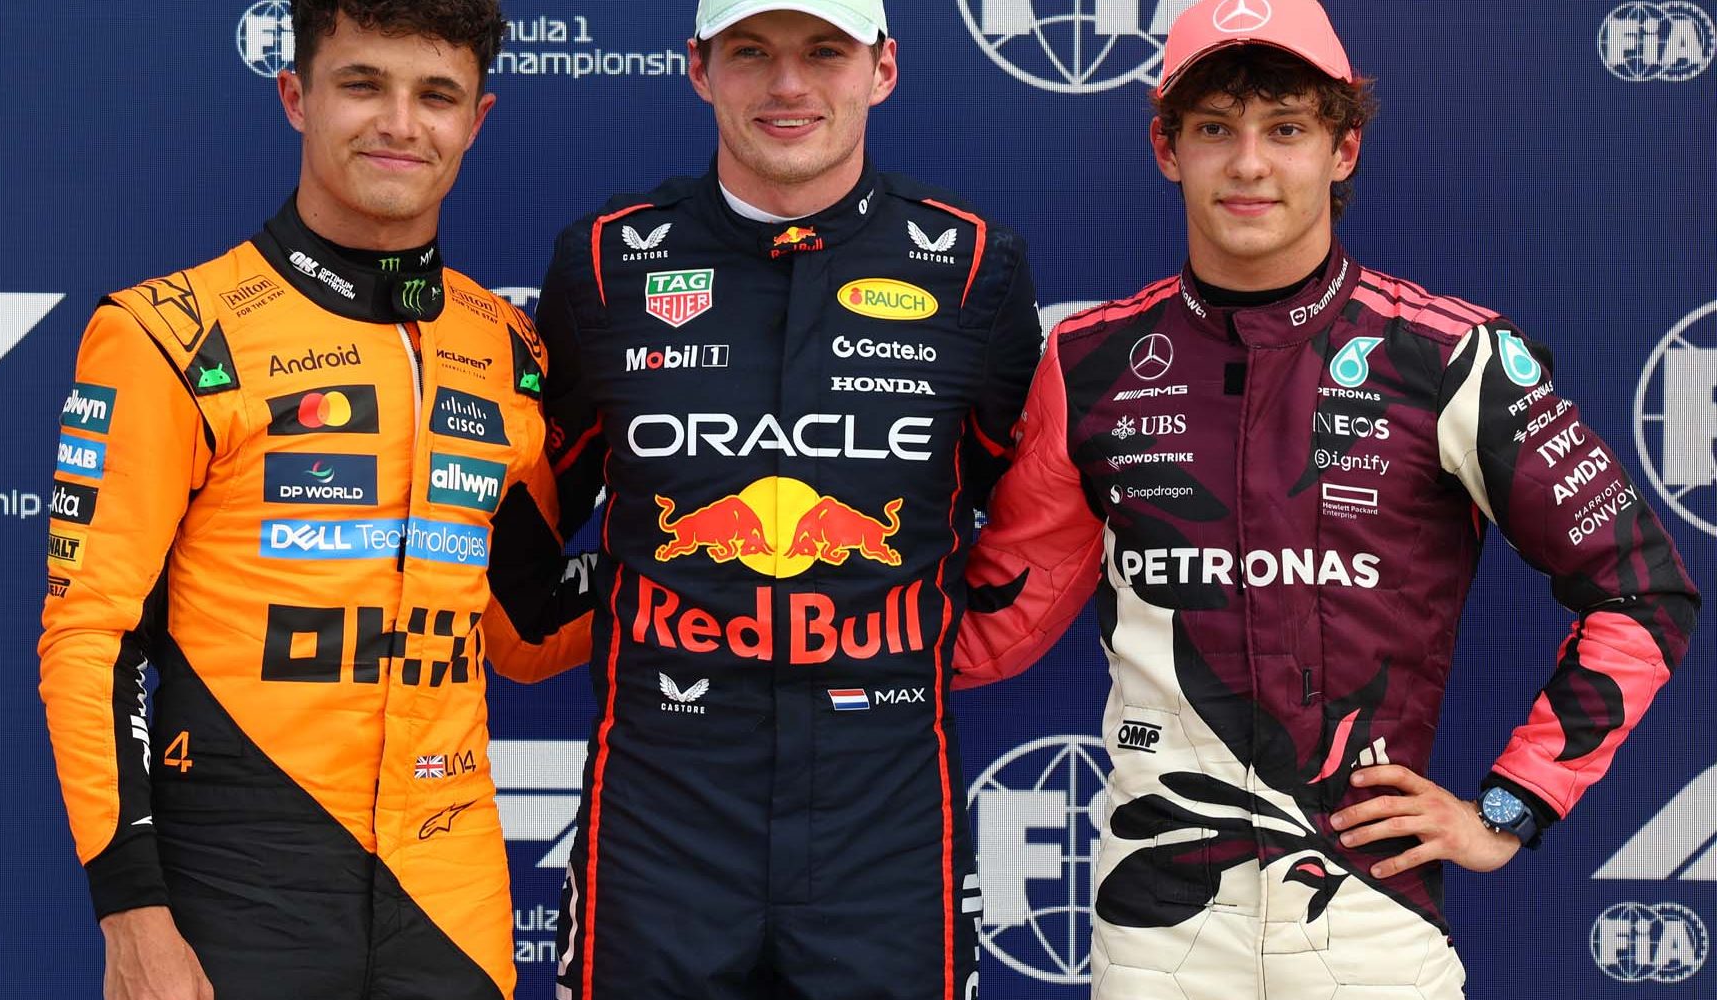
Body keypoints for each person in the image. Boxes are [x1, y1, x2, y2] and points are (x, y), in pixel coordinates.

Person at [952, 1, 1699, 997]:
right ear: (1166, 149)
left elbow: (1643, 594)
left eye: (1287, 128)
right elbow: (995, 623)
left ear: (1344, 149)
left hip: (1369, 926)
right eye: (1215, 127)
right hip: (1158, 927)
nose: (1250, 164)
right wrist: (776, 602)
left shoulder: (1451, 357)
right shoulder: (1090, 364)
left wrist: (1512, 807)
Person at [488, 0, 1042, 995]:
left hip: (888, 817)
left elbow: (1043, 516)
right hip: (662, 809)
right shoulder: (606, 263)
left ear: (883, 69)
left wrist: (942, 633)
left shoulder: (973, 269)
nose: (789, 85)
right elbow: (525, 516)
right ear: (699, 69)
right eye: (753, 53)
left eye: (823, 52)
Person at [36, 2, 572, 998]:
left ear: (478, 120)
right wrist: (132, 915)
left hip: (451, 889)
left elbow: (525, 626)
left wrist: (710, 559)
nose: (401, 124)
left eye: (436, 96)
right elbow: (90, 637)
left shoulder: (505, 348)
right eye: (364, 84)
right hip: (239, 881)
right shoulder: (169, 334)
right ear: (297, 97)